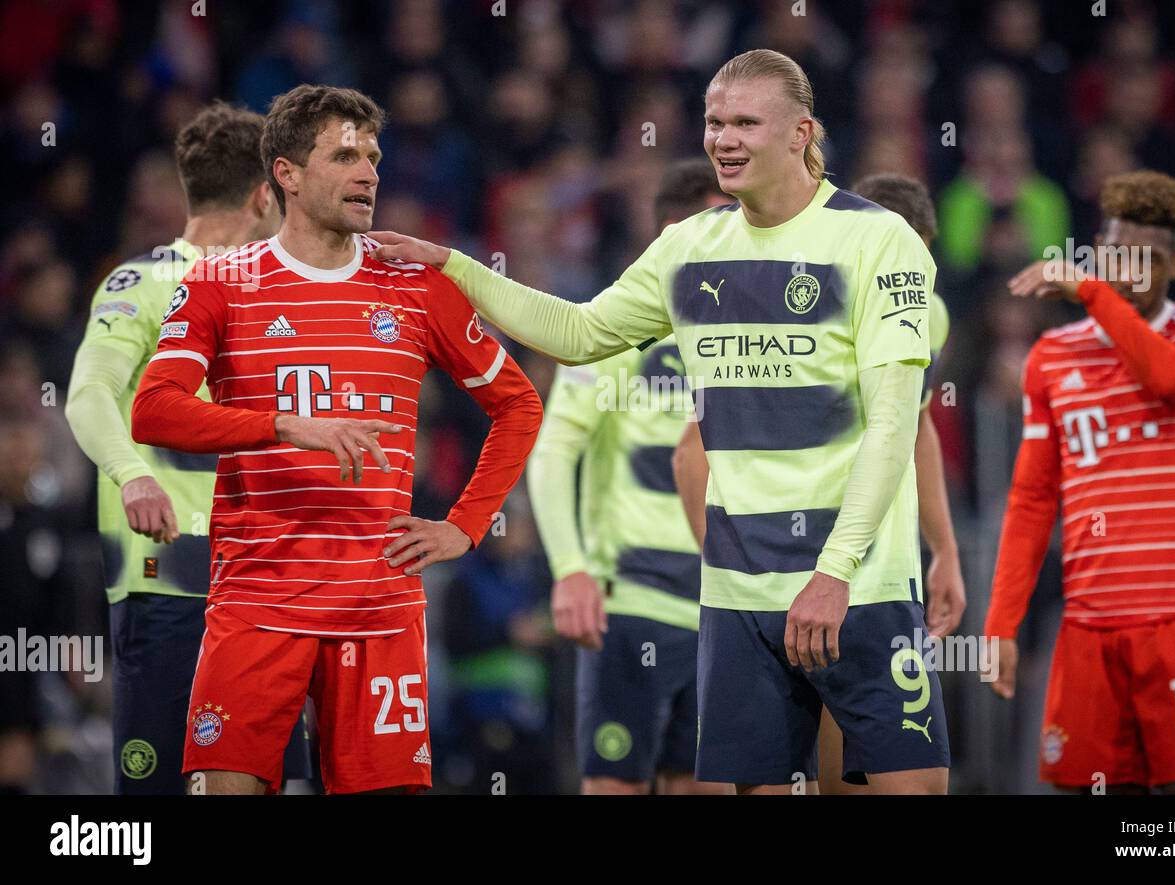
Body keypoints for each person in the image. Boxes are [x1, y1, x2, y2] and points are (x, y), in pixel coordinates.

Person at [371, 49, 950, 794]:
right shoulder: (688, 248)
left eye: (746, 122)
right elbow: (577, 331)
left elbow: (893, 426)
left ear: (803, 132)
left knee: (912, 790)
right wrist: (454, 265)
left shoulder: (878, 240)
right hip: (738, 595)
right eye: (715, 122)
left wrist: (833, 572)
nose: (724, 139)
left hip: (857, 585)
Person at [131, 85, 543, 795]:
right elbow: (155, 411)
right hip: (258, 600)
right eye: (345, 154)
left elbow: (518, 404)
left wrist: (464, 526)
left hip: (378, 605)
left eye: (374, 156)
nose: (369, 173)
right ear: (285, 174)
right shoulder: (222, 281)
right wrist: (281, 426)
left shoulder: (415, 285)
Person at [673, 172, 966, 793]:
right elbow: (692, 450)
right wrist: (734, 569)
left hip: (873, 573)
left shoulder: (925, 314)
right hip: (789, 575)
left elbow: (914, 429)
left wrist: (944, 551)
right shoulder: (776, 302)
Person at [65, 102, 317, 795]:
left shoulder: (286, 296)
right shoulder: (141, 283)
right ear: (265, 193)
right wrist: (131, 475)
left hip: (265, 584)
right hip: (172, 578)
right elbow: (87, 394)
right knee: (154, 795)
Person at [984, 169, 1175, 794]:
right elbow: (1031, 499)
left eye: (1149, 258)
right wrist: (999, 625)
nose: (1130, 271)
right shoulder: (1051, 357)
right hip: (1091, 625)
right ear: (1099, 251)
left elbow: (1172, 379)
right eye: (1117, 254)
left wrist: (1092, 294)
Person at [528, 159, 732, 795]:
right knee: (614, 785)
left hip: (723, 611)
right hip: (632, 604)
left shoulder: (745, 334)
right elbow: (554, 450)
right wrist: (571, 569)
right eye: (717, 220)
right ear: (672, 231)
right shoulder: (615, 326)